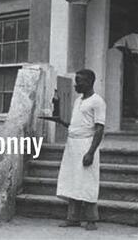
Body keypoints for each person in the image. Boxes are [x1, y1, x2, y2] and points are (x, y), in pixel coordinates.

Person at [56, 69, 106, 231]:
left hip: (86, 145)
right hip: (72, 145)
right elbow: (77, 125)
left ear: (90, 82)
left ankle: (91, 220)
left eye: (79, 81)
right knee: (73, 181)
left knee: (87, 181)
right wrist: (60, 121)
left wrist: (90, 152)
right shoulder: (78, 100)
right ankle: (73, 218)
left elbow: (99, 129)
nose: (76, 84)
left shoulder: (97, 101)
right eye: (76, 81)